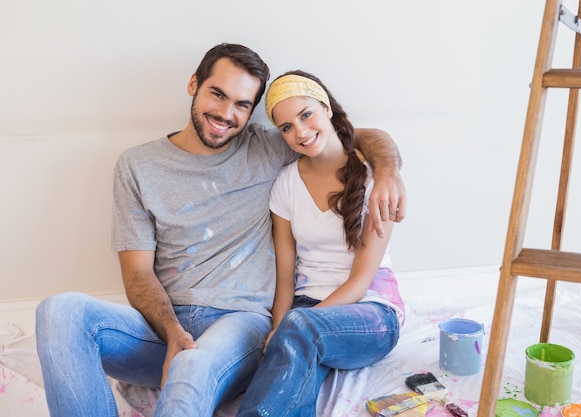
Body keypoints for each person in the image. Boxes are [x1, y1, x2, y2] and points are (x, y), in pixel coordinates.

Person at [35, 43, 405, 417]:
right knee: (59, 310)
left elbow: (350, 137)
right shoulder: (137, 166)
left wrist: (388, 171)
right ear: (194, 84)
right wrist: (173, 333)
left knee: (192, 365)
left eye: (242, 105)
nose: (227, 114)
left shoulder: (268, 146)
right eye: (218, 94)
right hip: (163, 330)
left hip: (238, 324)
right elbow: (137, 273)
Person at [236, 71, 405, 417]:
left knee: (299, 329)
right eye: (285, 127)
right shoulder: (286, 184)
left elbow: (359, 281)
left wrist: (292, 326)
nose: (299, 132)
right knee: (291, 380)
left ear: (327, 108)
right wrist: (278, 327)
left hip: (371, 312)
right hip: (306, 312)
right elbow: (286, 276)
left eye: (306, 114)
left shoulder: (375, 179)